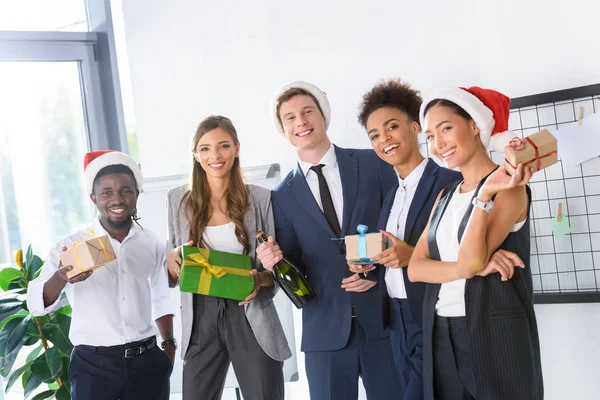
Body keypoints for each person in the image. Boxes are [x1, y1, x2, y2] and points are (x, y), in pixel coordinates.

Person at [256, 81, 403, 400]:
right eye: (290, 118)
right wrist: (275, 261)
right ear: (282, 130)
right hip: (324, 332)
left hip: (384, 321)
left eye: (308, 112)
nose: (301, 122)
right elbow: (295, 264)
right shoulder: (281, 196)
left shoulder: (373, 163)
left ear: (324, 115)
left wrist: (374, 269)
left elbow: (401, 224)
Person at [408, 86, 544, 400]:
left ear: (473, 126)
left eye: (445, 129)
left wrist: (483, 195)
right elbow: (416, 268)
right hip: (441, 333)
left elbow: (470, 261)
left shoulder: (509, 188)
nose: (438, 144)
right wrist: (471, 269)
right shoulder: (444, 196)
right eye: (430, 136)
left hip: (494, 336)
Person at [27, 150, 175, 400]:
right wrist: (62, 277)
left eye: (126, 190)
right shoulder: (70, 245)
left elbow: (163, 296)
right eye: (107, 192)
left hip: (147, 362)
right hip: (93, 367)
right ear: (93, 197)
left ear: (136, 195)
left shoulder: (154, 242)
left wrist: (169, 346)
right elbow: (35, 305)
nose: (117, 199)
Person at [166, 115, 291, 400]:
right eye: (206, 148)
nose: (215, 155)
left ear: (236, 148)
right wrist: (172, 257)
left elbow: (275, 268)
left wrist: (261, 279)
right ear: (196, 155)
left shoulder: (261, 198)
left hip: (250, 312)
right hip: (201, 313)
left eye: (223, 146)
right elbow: (175, 265)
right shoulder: (178, 200)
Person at [353, 78, 461, 399]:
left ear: (415, 127)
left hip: (434, 318)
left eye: (391, 127)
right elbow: (395, 255)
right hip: (396, 322)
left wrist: (409, 254)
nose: (384, 139)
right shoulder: (391, 198)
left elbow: (466, 257)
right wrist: (369, 262)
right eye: (374, 135)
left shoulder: (450, 182)